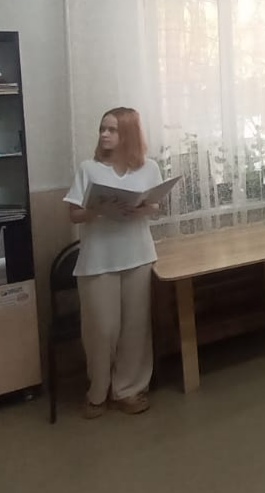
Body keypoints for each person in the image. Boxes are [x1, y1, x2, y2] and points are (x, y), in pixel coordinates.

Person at [64, 107, 164, 419]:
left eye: (112, 129)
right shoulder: (89, 168)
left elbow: (156, 208)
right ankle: (97, 392)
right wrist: (99, 209)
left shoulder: (149, 167)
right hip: (98, 260)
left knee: (135, 328)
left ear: (128, 134)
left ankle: (128, 390)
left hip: (138, 255)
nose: (104, 135)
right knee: (101, 329)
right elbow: (74, 214)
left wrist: (141, 209)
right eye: (102, 129)